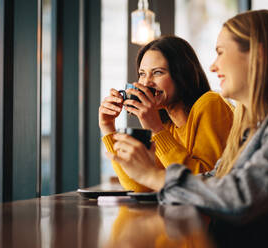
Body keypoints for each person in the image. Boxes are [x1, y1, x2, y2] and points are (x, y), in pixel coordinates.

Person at [107, 10, 268, 247]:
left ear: (258, 55)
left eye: (220, 52)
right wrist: (138, 165)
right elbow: (216, 179)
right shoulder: (254, 124)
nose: (213, 66)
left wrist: (154, 176)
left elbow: (240, 198)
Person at [99, 36, 233, 192]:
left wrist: (155, 128)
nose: (146, 83)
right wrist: (108, 127)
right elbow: (141, 186)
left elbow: (200, 185)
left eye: (157, 72)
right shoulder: (166, 124)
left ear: (182, 74)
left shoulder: (211, 103)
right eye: (142, 74)